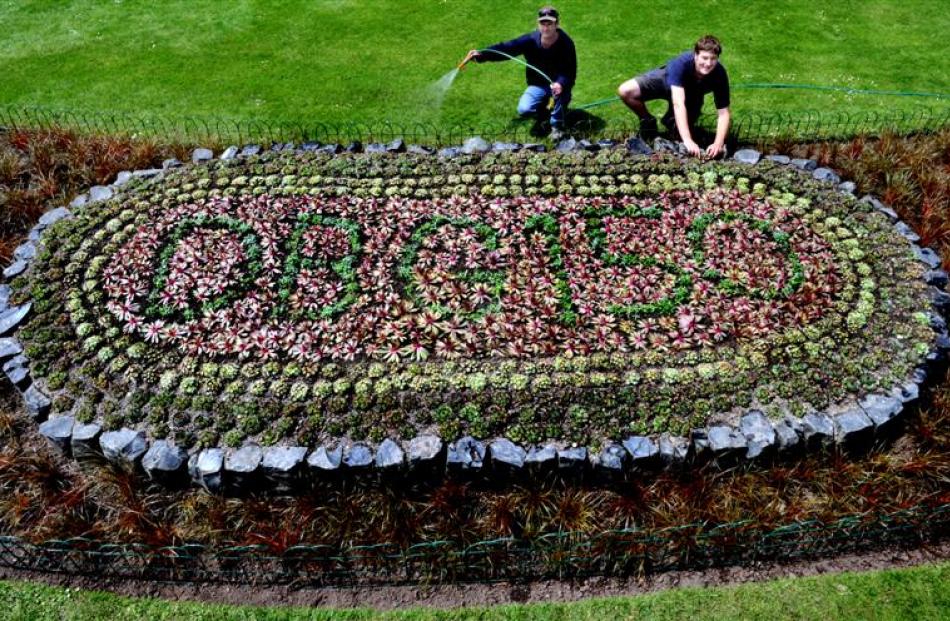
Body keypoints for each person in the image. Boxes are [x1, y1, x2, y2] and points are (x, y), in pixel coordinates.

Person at [462, 6, 577, 140]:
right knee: (524, 109)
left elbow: (570, 72)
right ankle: (544, 113)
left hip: (559, 87)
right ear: (538, 24)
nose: (546, 27)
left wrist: (561, 84)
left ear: (557, 24)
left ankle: (557, 126)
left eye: (550, 23)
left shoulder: (566, 43)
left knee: (561, 95)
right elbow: (507, 48)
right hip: (538, 84)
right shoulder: (530, 40)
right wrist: (483, 55)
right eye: (542, 23)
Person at [617, 35, 731, 159]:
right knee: (625, 90)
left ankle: (670, 124)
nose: (708, 63)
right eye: (704, 58)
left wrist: (718, 143)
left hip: (693, 93)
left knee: (679, 135)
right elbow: (678, 103)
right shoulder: (680, 64)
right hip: (665, 82)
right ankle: (648, 120)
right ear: (695, 55)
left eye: (713, 59)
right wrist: (687, 140)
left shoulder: (719, 74)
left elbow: (723, 113)